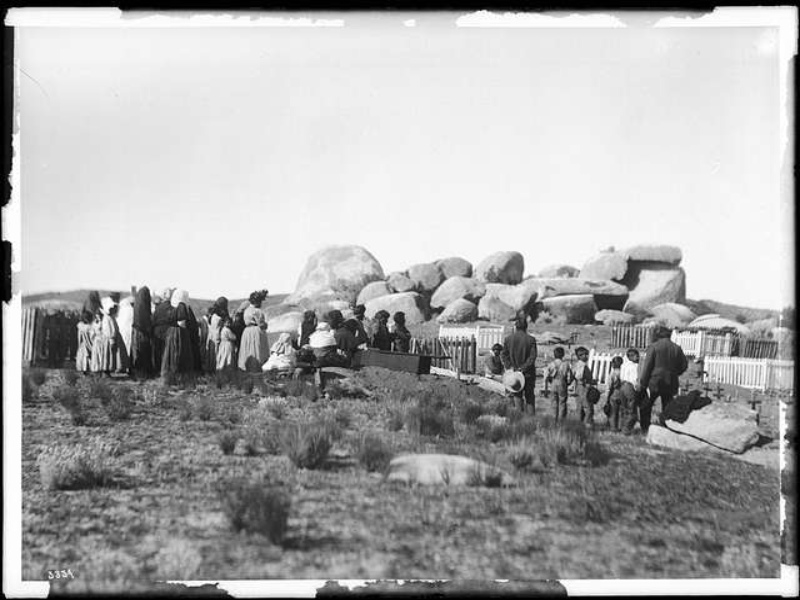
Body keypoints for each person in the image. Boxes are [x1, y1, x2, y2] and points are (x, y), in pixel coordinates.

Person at [637, 325, 688, 433]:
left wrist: (643, 383)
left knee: (646, 405)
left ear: (658, 335)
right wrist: (675, 373)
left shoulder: (654, 347)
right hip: (671, 381)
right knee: (668, 407)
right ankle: (667, 428)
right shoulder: (677, 348)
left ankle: (645, 428)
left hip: (655, 381)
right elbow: (684, 366)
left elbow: (647, 367)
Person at [501, 312, 538, 413]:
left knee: (517, 396)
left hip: (513, 374)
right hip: (528, 374)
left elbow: (504, 355)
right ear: (526, 327)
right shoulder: (531, 340)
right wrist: (523, 368)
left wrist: (510, 367)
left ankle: (519, 419)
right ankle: (531, 421)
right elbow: (532, 357)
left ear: (515, 327)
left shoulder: (508, 339)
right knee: (530, 397)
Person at [161, 289, 195, 378]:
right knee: (179, 352)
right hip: (179, 333)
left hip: (171, 332)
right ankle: (179, 374)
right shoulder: (182, 306)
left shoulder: (173, 307)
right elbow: (182, 323)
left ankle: (171, 374)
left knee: (171, 353)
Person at [238, 290, 270, 372]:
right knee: (257, 349)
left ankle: (247, 367)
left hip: (247, 331)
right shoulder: (257, 311)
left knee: (248, 349)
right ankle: (256, 367)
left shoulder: (246, 310)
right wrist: (265, 325)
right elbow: (261, 324)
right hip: (256, 331)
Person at [130, 286, 155, 379]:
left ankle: (138, 372)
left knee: (137, 352)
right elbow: (145, 321)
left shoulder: (138, 304)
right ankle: (142, 373)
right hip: (141, 332)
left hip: (137, 331)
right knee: (142, 352)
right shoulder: (143, 306)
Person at [545, 346, 574, 422]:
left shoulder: (551, 364)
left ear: (554, 355)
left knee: (554, 403)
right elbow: (570, 375)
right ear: (563, 355)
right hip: (562, 383)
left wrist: (548, 384)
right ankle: (562, 421)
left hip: (554, 383)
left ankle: (554, 420)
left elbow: (546, 376)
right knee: (562, 402)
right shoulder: (566, 364)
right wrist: (569, 383)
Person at [91, 297, 119, 376]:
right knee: (105, 356)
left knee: (106, 356)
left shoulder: (109, 318)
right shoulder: (107, 319)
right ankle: (104, 371)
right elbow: (109, 331)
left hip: (105, 340)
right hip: (106, 340)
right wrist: (111, 339)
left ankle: (105, 371)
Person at [151, 288, 175, 372]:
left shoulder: (158, 308)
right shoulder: (173, 309)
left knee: (157, 351)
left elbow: (153, 320)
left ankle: (157, 369)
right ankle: (165, 370)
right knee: (166, 352)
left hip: (157, 332)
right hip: (168, 332)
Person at [573, 346, 598, 427]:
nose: (586, 356)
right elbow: (579, 376)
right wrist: (589, 382)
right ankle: (587, 423)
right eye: (584, 355)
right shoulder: (582, 365)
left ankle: (579, 424)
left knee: (579, 407)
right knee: (588, 407)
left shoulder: (576, 364)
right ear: (579, 356)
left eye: (586, 354)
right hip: (583, 387)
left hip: (578, 387)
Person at [205, 297, 229, 372]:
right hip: (217, 337)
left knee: (211, 356)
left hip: (211, 337)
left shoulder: (212, 314)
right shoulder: (219, 316)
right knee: (216, 356)